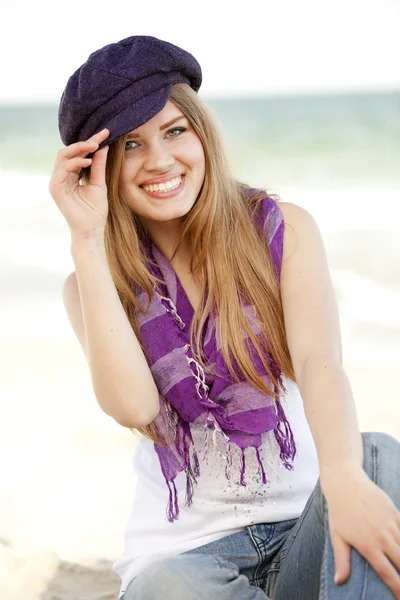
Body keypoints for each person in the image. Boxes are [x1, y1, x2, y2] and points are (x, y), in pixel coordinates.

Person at [49, 35, 400, 600]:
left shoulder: (282, 230)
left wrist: (341, 479)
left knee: (379, 456)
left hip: (300, 531)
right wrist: (86, 240)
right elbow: (135, 408)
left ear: (201, 131)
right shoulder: (91, 283)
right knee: (166, 586)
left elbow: (318, 362)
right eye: (130, 145)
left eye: (174, 131)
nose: (160, 160)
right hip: (187, 559)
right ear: (99, 166)